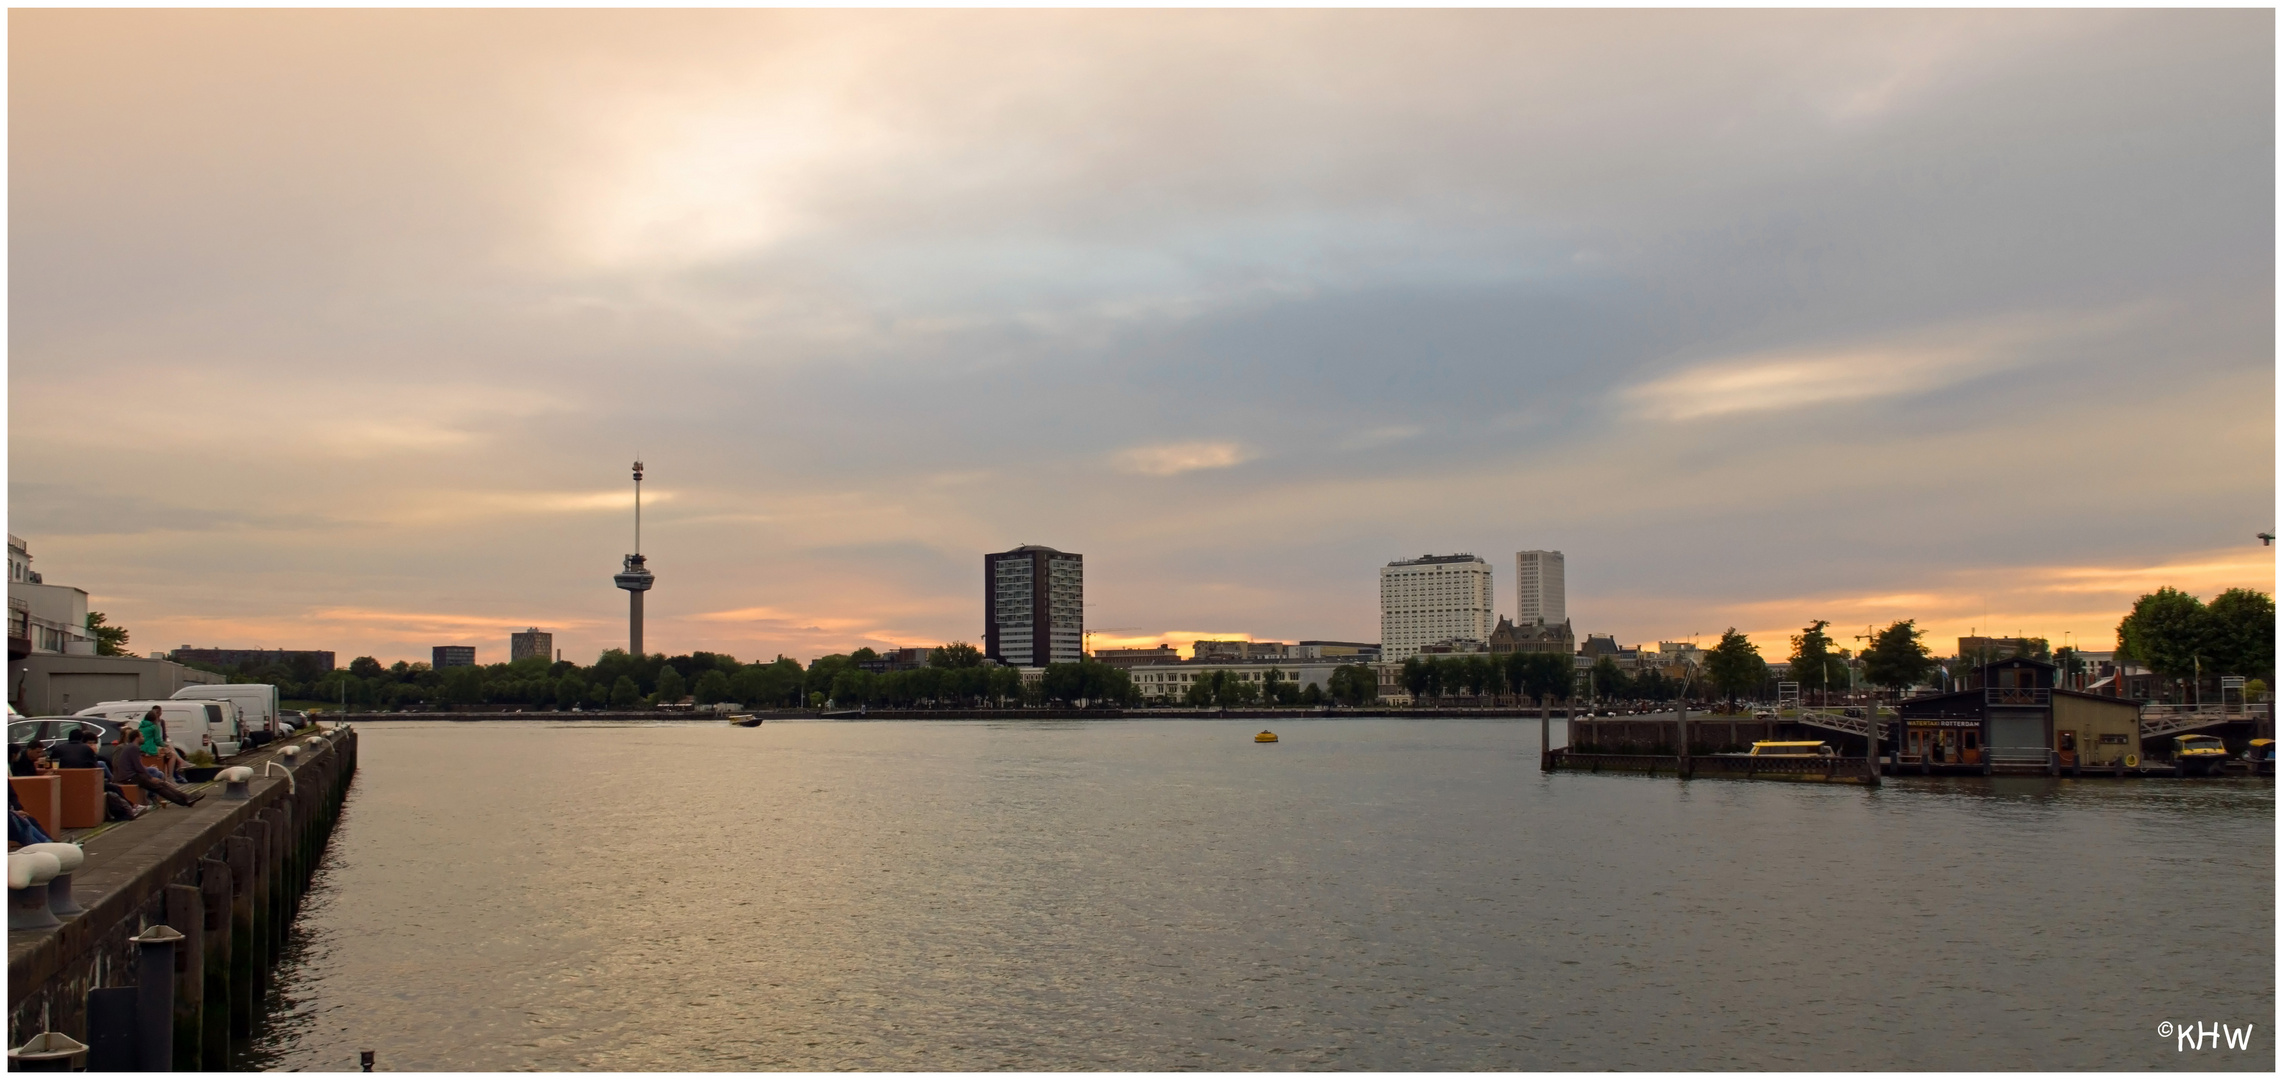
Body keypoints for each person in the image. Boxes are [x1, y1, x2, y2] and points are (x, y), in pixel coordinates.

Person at [110, 737, 199, 808]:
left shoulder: (131, 748)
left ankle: (186, 798)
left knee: (161, 784)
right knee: (158, 786)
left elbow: (137, 767)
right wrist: (150, 777)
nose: (143, 737)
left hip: (132, 776)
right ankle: (185, 800)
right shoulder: (133, 748)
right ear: (136, 738)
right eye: (141, 736)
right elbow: (138, 767)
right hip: (130, 777)